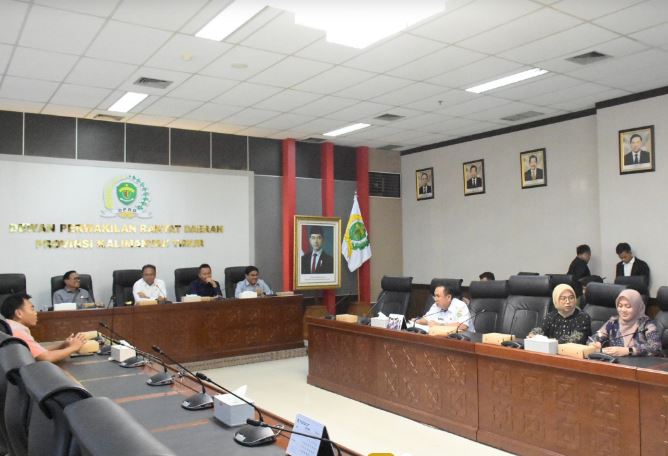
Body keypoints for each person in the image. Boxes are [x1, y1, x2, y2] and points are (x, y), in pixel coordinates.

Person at [1, 293, 87, 362]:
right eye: (32, 309)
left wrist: (63, 345)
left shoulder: (10, 326)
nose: (35, 313)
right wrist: (74, 347)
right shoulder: (18, 331)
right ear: (19, 313)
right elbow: (46, 357)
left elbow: (40, 352)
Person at [590, 289, 660, 357]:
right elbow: (596, 337)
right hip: (615, 362)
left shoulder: (647, 325)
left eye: (628, 307)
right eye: (620, 306)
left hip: (640, 363)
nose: (623, 310)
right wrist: (594, 343)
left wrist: (628, 351)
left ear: (637, 307)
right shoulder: (613, 322)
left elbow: (656, 348)